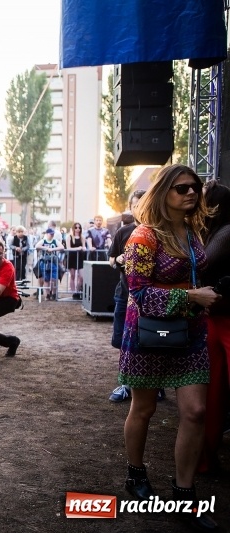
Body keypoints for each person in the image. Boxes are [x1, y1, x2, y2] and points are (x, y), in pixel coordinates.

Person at [118, 164, 221, 531]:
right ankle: (136, 474)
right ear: (164, 192)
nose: (191, 193)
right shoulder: (143, 237)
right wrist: (191, 294)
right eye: (181, 188)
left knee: (194, 412)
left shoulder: (193, 231)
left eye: (194, 188)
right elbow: (140, 294)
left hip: (190, 333)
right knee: (143, 408)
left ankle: (183, 495)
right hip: (149, 334)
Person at [199, 180, 230, 474]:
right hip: (214, 318)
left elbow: (204, 264)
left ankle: (207, 459)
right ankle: (206, 459)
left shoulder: (225, 232)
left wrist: (216, 291)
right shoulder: (208, 232)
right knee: (212, 394)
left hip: (224, 315)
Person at [108, 190, 146, 403]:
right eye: (135, 205)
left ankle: (153, 385)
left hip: (148, 298)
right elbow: (110, 260)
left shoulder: (159, 231)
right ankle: (125, 384)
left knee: (149, 341)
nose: (139, 209)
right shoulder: (123, 232)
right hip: (124, 294)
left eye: (143, 204)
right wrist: (118, 258)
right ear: (131, 208)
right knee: (122, 340)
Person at [35, 228, 64, 300]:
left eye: (53, 234)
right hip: (45, 262)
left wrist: (53, 249)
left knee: (54, 279)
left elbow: (62, 247)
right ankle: (47, 294)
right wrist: (45, 248)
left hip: (53, 262)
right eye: (51, 234)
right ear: (47, 234)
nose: (52, 235)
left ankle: (54, 293)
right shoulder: (43, 241)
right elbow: (37, 246)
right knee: (46, 279)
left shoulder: (55, 241)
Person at [66, 222, 87, 299]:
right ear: (73, 228)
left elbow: (84, 247)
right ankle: (74, 292)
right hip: (72, 258)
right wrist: (77, 248)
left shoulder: (82, 237)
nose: (77, 229)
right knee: (72, 275)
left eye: (79, 228)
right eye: (76, 227)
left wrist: (84, 249)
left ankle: (78, 291)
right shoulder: (69, 237)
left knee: (81, 276)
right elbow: (68, 248)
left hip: (80, 258)